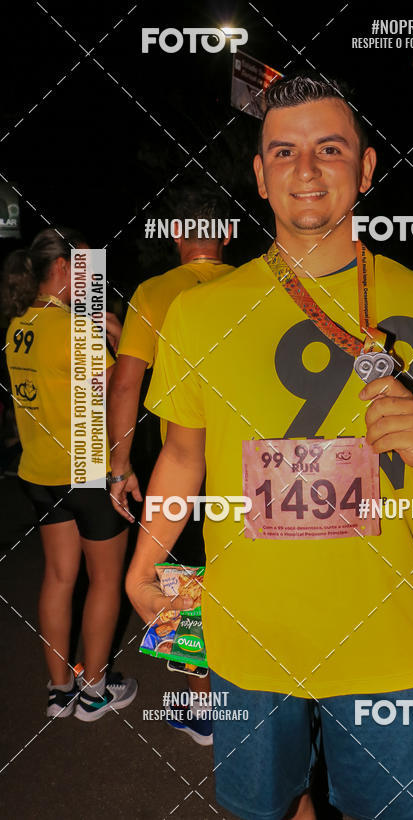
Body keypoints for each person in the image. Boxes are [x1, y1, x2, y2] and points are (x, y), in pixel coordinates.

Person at [126, 75, 413, 820]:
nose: (305, 169)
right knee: (266, 809)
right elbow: (183, 456)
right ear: (260, 176)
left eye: (329, 149)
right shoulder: (198, 314)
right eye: (283, 151)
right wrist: (143, 567)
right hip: (246, 640)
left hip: (392, 647)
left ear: (366, 167)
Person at [108, 194, 234, 745]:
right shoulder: (257, 283)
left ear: (177, 233)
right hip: (253, 466)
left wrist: (119, 465)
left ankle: (204, 708)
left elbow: (126, 384)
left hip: (183, 468)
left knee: (182, 585)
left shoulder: (155, 292)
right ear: (226, 234)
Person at [2, 228, 137, 721]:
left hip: (38, 470)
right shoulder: (75, 330)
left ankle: (60, 691)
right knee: (105, 580)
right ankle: (95, 692)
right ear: (62, 268)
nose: (90, 280)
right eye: (84, 268)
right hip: (87, 468)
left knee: (59, 577)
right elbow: (118, 393)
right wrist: (120, 340)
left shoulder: (18, 325)